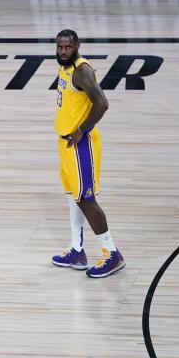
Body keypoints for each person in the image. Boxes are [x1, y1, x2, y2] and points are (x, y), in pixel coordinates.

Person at [50, 29, 125, 278]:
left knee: (86, 199)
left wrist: (81, 130)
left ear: (77, 45)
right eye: (60, 47)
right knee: (74, 196)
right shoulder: (65, 66)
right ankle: (77, 250)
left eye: (67, 47)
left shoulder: (82, 71)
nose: (63, 51)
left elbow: (102, 103)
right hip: (67, 142)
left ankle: (111, 253)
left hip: (80, 143)